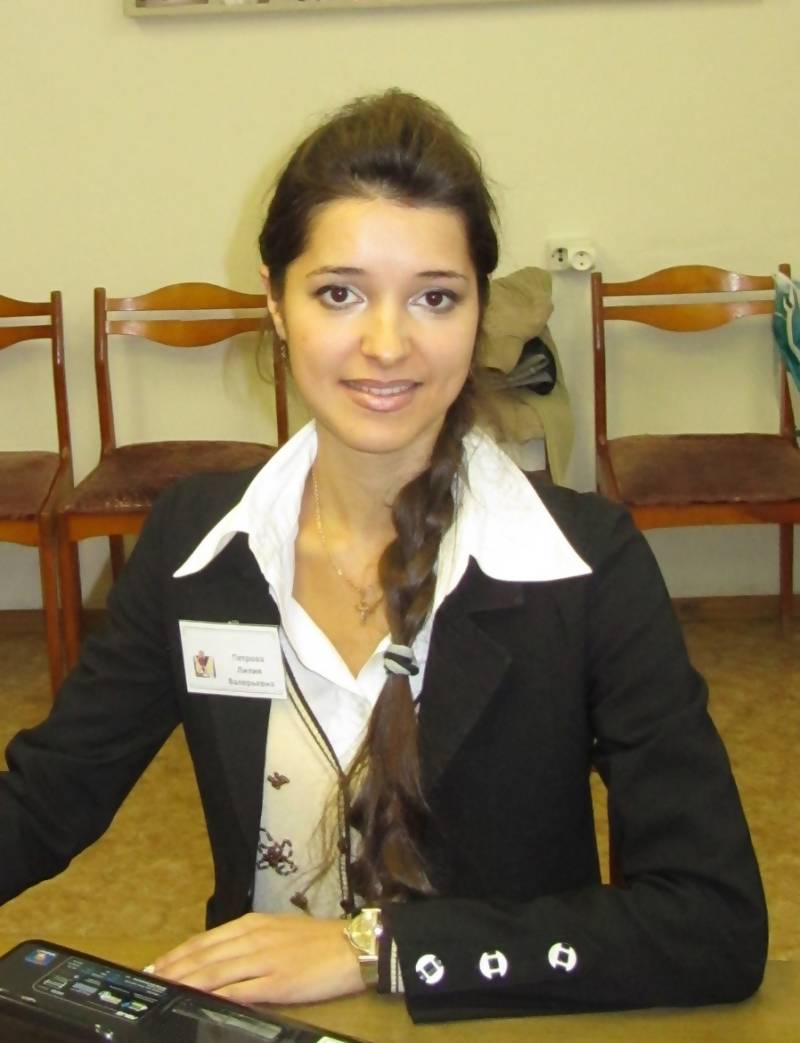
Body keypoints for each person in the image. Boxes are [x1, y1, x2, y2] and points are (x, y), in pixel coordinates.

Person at [0, 90, 766, 1024]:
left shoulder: (585, 567)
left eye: (435, 297)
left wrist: (374, 947)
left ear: (478, 310)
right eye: (339, 293)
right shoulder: (195, 547)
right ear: (274, 302)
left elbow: (712, 921)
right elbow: (46, 798)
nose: (387, 344)